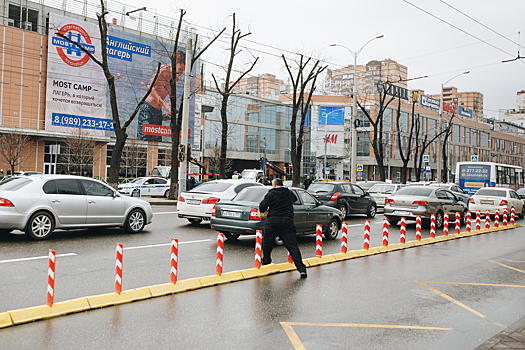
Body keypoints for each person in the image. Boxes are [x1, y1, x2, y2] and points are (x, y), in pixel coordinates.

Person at [259, 178, 307, 279]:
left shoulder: (271, 194)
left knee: (268, 241)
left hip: (273, 221)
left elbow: (262, 207)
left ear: (274, 185)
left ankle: (266, 260)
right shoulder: (289, 193)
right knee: (292, 246)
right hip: (287, 222)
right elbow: (294, 199)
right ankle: (302, 269)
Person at [137, 49, 186, 142]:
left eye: (182, 71)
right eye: (180, 69)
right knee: (143, 141)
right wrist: (163, 104)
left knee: (157, 142)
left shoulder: (174, 78)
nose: (180, 74)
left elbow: (170, 95)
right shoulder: (163, 70)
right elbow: (150, 87)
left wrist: (170, 109)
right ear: (175, 63)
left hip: (158, 111)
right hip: (147, 108)